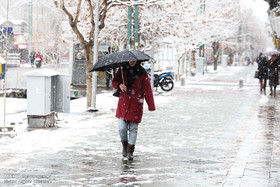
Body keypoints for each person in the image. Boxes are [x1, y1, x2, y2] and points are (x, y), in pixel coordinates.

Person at [112, 61, 155, 160]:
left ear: (137, 61)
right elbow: (114, 82)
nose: (132, 62)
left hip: (136, 104)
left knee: (133, 129)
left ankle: (130, 151)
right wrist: (119, 85)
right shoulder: (122, 70)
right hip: (123, 104)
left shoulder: (142, 73)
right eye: (130, 60)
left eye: (134, 60)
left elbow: (147, 90)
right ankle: (125, 146)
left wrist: (151, 105)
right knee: (121, 128)